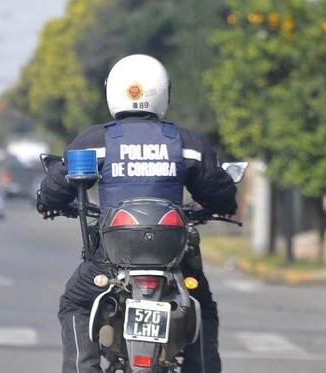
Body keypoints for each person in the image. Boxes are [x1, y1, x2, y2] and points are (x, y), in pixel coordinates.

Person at [37, 54, 237, 373]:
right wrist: (218, 207)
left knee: (75, 303)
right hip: (174, 259)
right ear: (163, 93)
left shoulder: (96, 141)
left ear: (112, 92)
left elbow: (56, 188)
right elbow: (221, 195)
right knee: (202, 307)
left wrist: (48, 202)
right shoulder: (187, 143)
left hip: (110, 260)